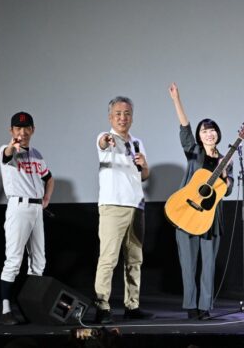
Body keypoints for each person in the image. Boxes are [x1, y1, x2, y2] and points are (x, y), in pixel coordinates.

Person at [168, 83, 234, 319]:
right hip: (187, 214)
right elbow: (184, 128)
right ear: (199, 136)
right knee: (188, 264)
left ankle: (205, 306)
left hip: (210, 219)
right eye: (205, 131)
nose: (209, 134)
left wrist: (225, 176)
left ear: (218, 134)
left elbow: (227, 189)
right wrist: (177, 100)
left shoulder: (226, 159)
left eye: (212, 130)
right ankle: (191, 306)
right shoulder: (194, 151)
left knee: (209, 265)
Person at [93, 96, 154, 323]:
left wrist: (144, 165)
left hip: (136, 206)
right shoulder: (105, 137)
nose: (122, 118)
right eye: (118, 114)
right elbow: (102, 143)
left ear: (132, 117)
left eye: (127, 113)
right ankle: (102, 307)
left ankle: (132, 306)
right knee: (108, 259)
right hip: (113, 206)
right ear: (110, 117)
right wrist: (106, 139)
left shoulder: (137, 142)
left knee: (134, 259)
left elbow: (144, 176)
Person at [0, 111, 54, 325]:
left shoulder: (37, 154)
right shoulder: (6, 149)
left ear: (33, 129)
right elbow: (7, 154)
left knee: (39, 262)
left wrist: (47, 197)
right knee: (13, 260)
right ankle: (5, 311)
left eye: (26, 127)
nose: (22, 132)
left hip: (37, 208)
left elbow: (49, 178)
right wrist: (12, 146)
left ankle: (33, 308)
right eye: (18, 128)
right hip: (19, 207)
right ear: (11, 130)